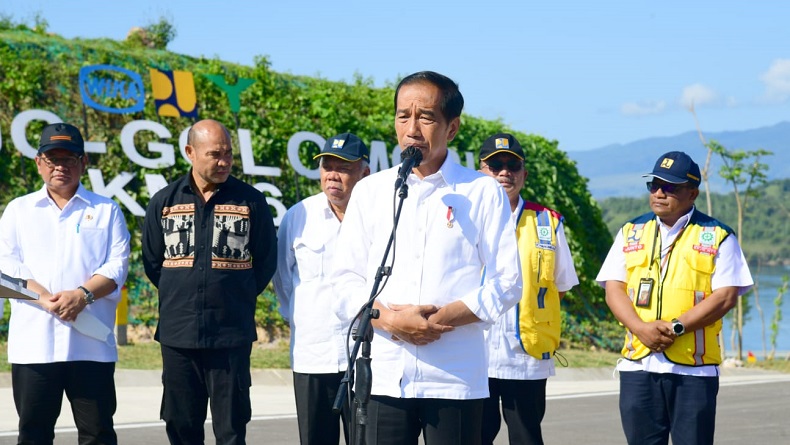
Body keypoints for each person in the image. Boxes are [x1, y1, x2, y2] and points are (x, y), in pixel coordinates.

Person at [330, 71, 522, 445]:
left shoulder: (481, 191)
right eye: (404, 115)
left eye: (426, 117)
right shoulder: (371, 191)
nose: (412, 128)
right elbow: (344, 281)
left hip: (455, 377)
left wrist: (438, 321)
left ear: (452, 128)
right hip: (384, 375)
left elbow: (507, 282)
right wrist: (392, 320)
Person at [596, 151, 753, 445]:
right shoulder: (631, 231)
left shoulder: (718, 235)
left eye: (670, 187)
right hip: (639, 365)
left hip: (693, 370)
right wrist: (640, 328)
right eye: (654, 185)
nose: (659, 193)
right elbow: (613, 288)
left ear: (692, 193)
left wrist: (677, 327)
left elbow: (725, 296)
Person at [142, 119, 277, 445]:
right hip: (178, 337)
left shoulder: (251, 202)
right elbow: (153, 263)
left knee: (231, 430)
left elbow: (265, 263)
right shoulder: (164, 202)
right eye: (215, 154)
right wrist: (182, 293)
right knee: (180, 426)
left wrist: (235, 294)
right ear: (190, 152)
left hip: (231, 337)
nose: (224, 162)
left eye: (229, 154)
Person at [0, 122, 131, 444]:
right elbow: (4, 267)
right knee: (33, 433)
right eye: (52, 159)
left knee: (97, 433)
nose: (60, 167)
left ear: (83, 162)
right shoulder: (19, 210)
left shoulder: (106, 210)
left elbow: (118, 265)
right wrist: (44, 298)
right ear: (38, 162)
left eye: (69, 159)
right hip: (34, 345)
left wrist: (81, 295)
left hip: (90, 346)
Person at [476, 133, 578, 445]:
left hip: (526, 355)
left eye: (512, 166)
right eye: (495, 166)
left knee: (527, 437)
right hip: (475, 351)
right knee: (474, 437)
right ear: (481, 171)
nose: (504, 172)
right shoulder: (463, 216)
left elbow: (560, 286)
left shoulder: (548, 222)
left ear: (524, 174)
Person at [273, 132, 371, 445]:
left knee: (366, 439)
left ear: (364, 173)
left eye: (342, 167)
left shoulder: (378, 217)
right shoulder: (298, 215)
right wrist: (303, 317)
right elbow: (283, 279)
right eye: (327, 165)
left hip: (367, 354)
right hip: (312, 354)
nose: (332, 174)